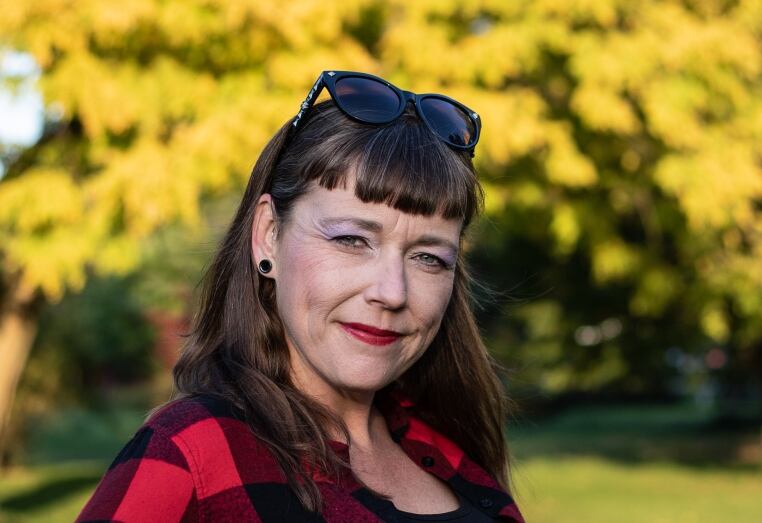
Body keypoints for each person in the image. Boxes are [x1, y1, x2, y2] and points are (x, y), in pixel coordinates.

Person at [76, 70, 525, 522]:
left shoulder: (450, 451)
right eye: (351, 240)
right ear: (269, 235)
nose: (392, 292)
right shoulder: (192, 455)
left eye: (429, 257)